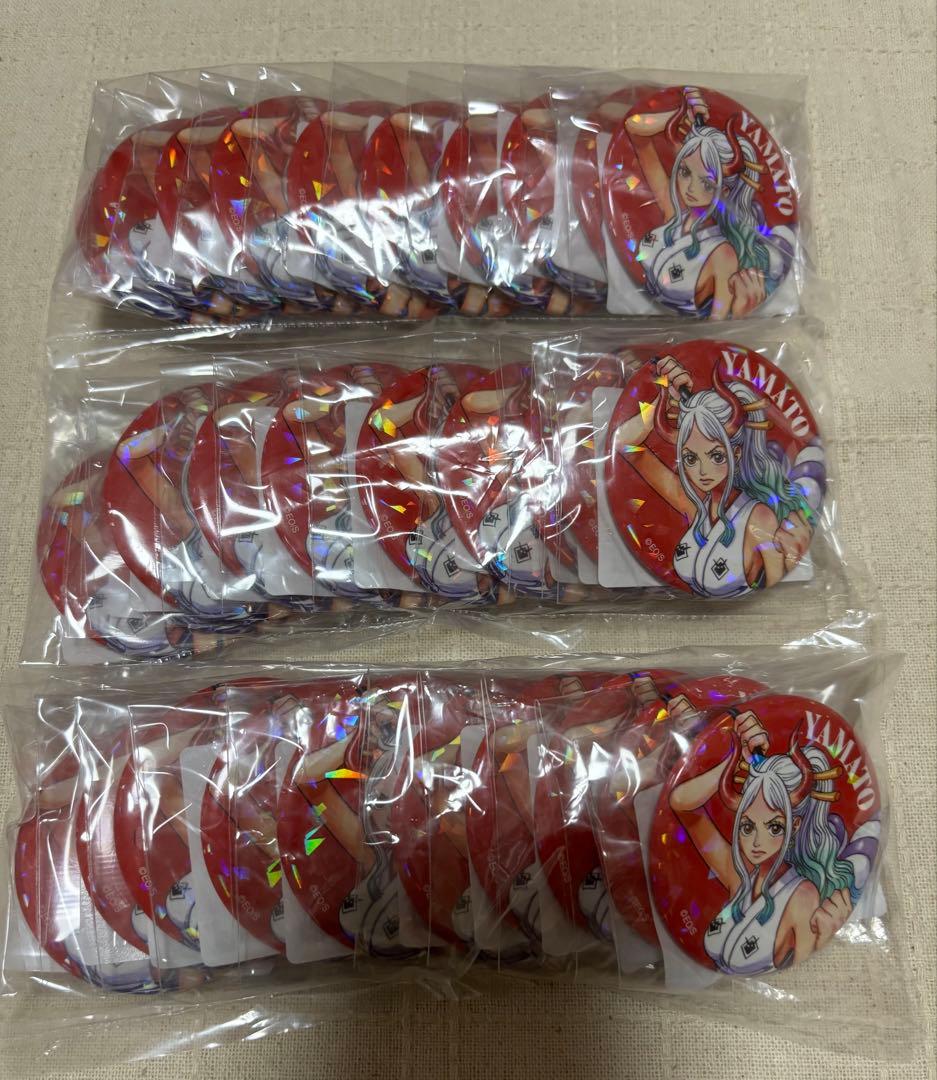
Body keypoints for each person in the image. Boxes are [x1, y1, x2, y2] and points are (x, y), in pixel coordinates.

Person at [669, 699, 876, 975]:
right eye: (747, 826)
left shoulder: (802, 896)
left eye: (775, 827)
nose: (756, 842)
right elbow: (680, 803)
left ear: (795, 825)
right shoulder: (741, 875)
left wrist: (822, 938)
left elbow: (804, 973)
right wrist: (734, 761)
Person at [613, 355, 819, 597]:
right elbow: (623, 444)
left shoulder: (758, 517)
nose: (702, 471)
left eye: (717, 456)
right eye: (690, 458)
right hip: (678, 610)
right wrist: (663, 401)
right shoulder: (696, 506)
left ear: (737, 453)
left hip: (740, 616)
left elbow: (774, 588)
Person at [622, 86, 794, 318]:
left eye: (706, 183)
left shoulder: (723, 254)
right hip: (626, 306)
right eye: (684, 172)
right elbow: (634, 128)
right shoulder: (676, 211)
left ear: (724, 189)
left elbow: (716, 327)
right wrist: (678, 115)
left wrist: (741, 312)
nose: (690, 188)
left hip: (664, 327)